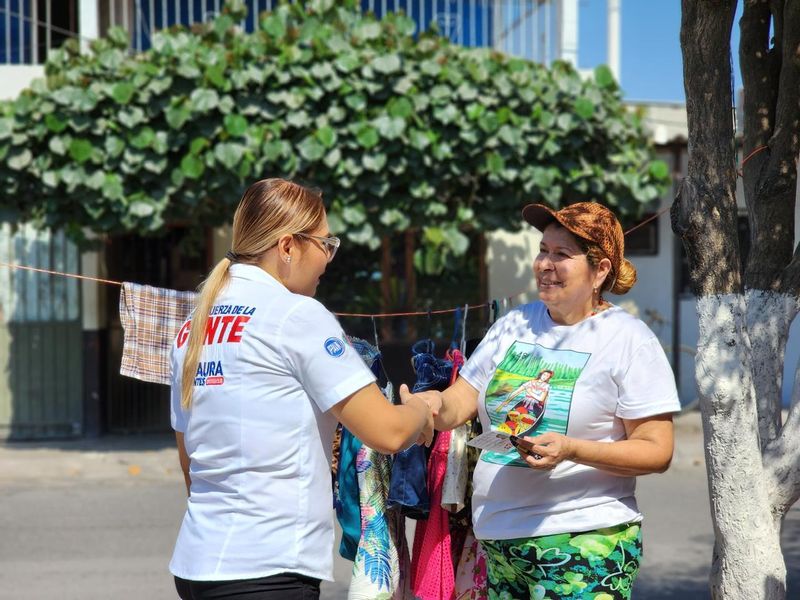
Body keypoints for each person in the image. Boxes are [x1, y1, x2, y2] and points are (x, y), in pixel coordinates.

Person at [169, 178, 434, 600]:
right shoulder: (296, 315)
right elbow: (388, 432)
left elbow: (189, 458)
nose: (328, 259)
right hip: (268, 569)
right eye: (325, 244)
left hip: (198, 564)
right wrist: (421, 410)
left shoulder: (193, 325)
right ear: (288, 246)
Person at [410, 201, 681, 600]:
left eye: (561, 254)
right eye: (542, 250)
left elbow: (657, 451)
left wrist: (571, 449)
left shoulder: (628, 339)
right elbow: (459, 402)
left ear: (600, 270)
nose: (544, 264)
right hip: (500, 542)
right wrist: (429, 406)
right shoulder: (514, 324)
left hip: (583, 542)